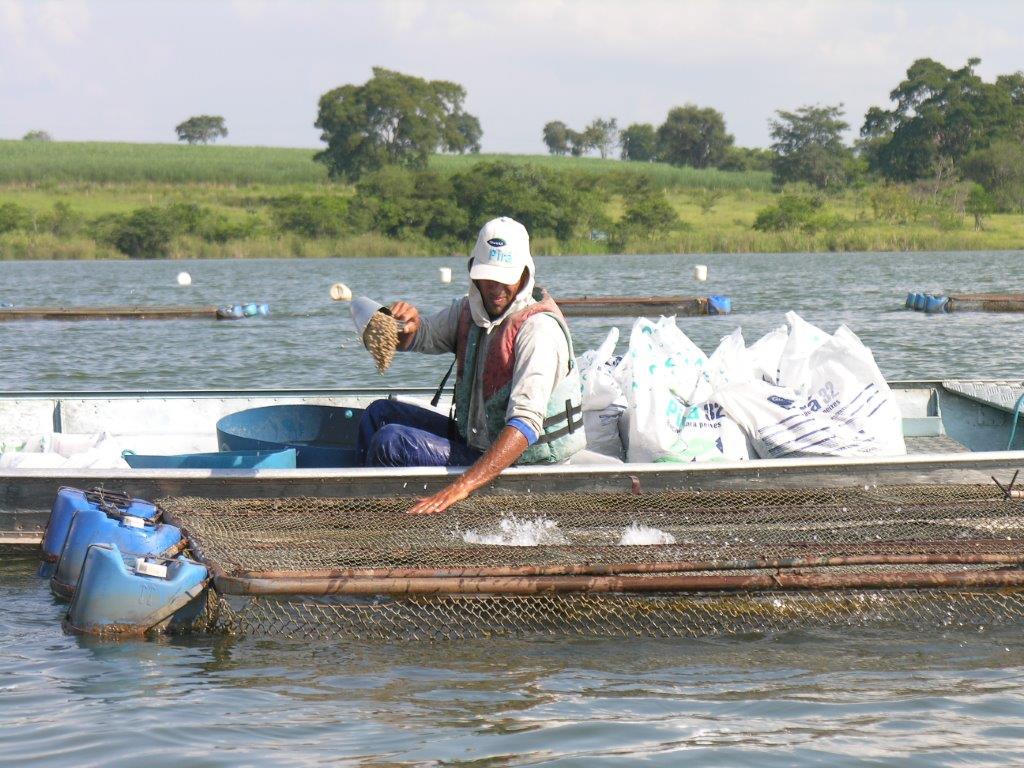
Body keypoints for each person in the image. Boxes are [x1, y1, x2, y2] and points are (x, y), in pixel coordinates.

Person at [357, 216, 585, 515]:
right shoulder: (469, 310)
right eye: (488, 277)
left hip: (524, 465)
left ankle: (381, 523)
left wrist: (461, 486)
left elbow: (525, 426)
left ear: (525, 273)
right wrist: (402, 324)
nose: (496, 289)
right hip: (475, 443)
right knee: (379, 415)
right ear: (474, 273)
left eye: (506, 277)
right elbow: (419, 336)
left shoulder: (538, 332)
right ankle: (361, 506)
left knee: (391, 442)